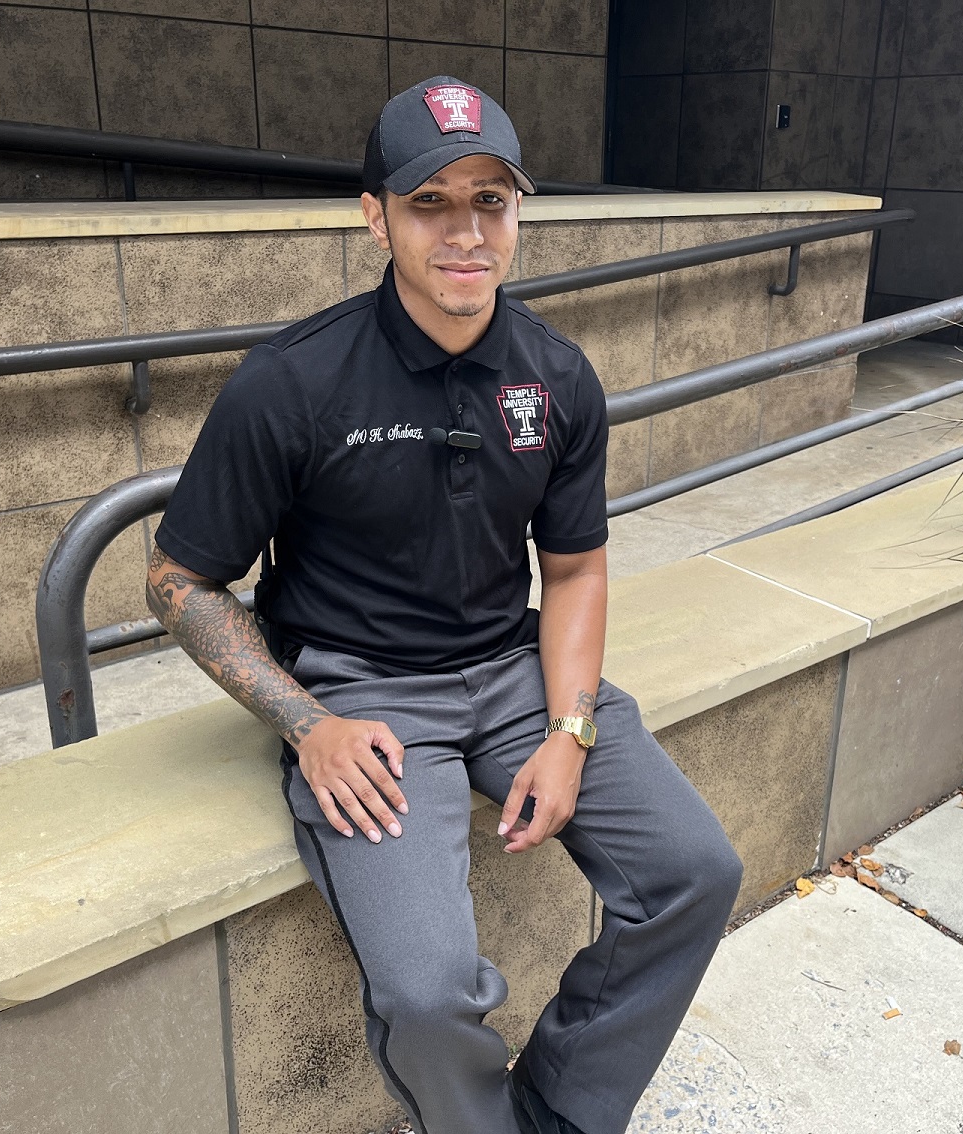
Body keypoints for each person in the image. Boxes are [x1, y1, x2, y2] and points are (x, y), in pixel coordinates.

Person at [145, 76, 743, 1134]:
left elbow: (574, 572)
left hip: (516, 677)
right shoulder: (291, 384)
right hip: (362, 696)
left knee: (696, 871)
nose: (467, 233)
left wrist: (569, 731)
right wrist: (309, 725)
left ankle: (559, 1112)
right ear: (374, 215)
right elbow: (178, 580)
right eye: (431, 202)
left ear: (519, 215)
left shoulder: (557, 379)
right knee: (425, 994)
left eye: (492, 201)